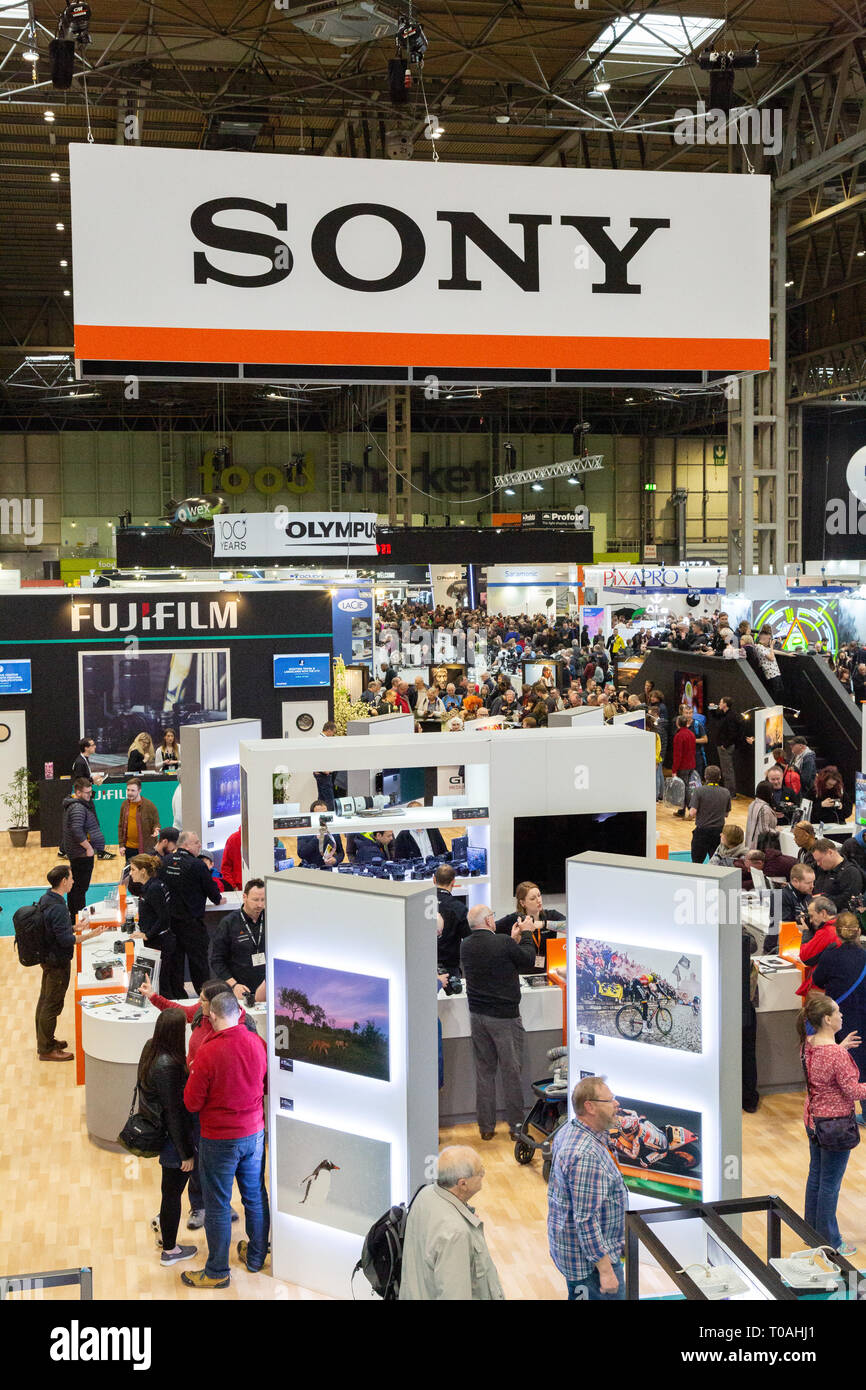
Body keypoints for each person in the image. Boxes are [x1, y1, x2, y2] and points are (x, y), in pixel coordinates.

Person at [141, 974, 257, 1230]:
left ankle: (220, 1205)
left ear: (217, 1006)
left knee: (219, 1164)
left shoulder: (241, 1025)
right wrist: (153, 997)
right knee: (197, 1156)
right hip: (197, 1096)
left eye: (204, 1001)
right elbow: (179, 1010)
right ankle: (200, 1206)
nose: (200, 1004)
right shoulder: (199, 1015)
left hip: (220, 1106)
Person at [181, 990, 269, 1288]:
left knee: (218, 1204)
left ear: (214, 1016)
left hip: (219, 1138)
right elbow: (267, 1084)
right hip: (254, 1134)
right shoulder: (257, 1043)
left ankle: (217, 1271)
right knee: (255, 1196)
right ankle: (256, 1257)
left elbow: (191, 1102)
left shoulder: (208, 1050)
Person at [547, 1075, 627, 1301]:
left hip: (581, 1253)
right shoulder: (586, 1155)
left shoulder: (571, 1130)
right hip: (591, 1267)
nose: (616, 1105)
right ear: (590, 1107)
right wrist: (606, 1271)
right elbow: (586, 1219)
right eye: (610, 1101)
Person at [798, 991, 866, 1253]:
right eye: (837, 1012)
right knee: (830, 1183)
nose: (842, 1015)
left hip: (813, 1119)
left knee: (816, 1175)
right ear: (827, 1019)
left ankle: (810, 1232)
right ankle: (831, 1240)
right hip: (835, 1125)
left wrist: (841, 1047)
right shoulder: (837, 1056)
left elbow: (824, 1068)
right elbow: (853, 1092)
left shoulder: (809, 1043)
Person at [460, 904, 535, 1141]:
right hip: (505, 1017)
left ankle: (486, 1127)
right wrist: (527, 934)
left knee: (485, 1072)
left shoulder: (466, 946)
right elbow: (528, 960)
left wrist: (512, 940)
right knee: (511, 1073)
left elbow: (499, 957)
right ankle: (516, 1127)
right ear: (489, 921)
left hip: (477, 1017)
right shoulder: (502, 942)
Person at [399, 1146, 504, 1301]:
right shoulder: (455, 1234)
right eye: (479, 1171)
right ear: (463, 1184)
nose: (483, 1173)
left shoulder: (425, 1194)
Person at [136, 1007, 197, 1266]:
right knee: (172, 1193)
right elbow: (174, 1113)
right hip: (174, 1141)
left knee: (168, 1191)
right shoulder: (170, 1065)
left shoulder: (151, 1048)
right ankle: (170, 1250)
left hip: (160, 1133)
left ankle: (164, 1223)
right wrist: (186, 1153)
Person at [35, 864, 104, 1061]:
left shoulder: (47, 898)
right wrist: (89, 935)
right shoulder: (57, 907)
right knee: (52, 1004)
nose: (73, 881)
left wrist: (74, 927)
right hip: (57, 961)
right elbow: (65, 940)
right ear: (64, 881)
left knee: (44, 1001)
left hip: (48, 958)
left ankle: (45, 1040)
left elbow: (55, 931)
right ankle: (46, 1049)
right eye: (71, 878)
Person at [812, 915, 866, 1124]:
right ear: (858, 932)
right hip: (863, 1014)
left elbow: (818, 980)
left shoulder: (830, 956)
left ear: (837, 933)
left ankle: (838, 1111)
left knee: (842, 1065)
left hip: (839, 1018)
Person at [161, 830, 222, 993]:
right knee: (199, 965)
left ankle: (178, 997)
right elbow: (212, 892)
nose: (200, 845)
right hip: (192, 924)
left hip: (171, 925)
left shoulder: (165, 861)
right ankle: (204, 996)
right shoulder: (197, 865)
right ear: (185, 845)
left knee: (176, 964)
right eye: (196, 842)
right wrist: (219, 899)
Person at [126, 852, 180, 996]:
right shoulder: (151, 886)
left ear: (143, 871)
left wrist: (147, 935)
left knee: (162, 983)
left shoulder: (154, 888)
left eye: (133, 870)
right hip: (158, 941)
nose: (130, 874)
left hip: (160, 943)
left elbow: (163, 918)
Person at [208, 879, 267, 1000]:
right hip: (240, 989)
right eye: (255, 900)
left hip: (266, 987)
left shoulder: (271, 918)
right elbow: (217, 960)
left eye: (263, 900)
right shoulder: (229, 923)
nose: (260, 904)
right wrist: (234, 985)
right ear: (244, 897)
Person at [495, 880, 565, 973]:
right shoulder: (514, 920)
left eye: (539, 895)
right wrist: (512, 940)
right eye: (532, 898)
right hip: (522, 974)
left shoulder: (551, 915)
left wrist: (543, 924)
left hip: (547, 971)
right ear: (523, 903)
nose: (539, 900)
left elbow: (569, 927)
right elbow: (490, 931)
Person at [61, 777, 107, 919]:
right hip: (81, 854)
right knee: (79, 889)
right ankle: (78, 918)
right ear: (78, 792)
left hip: (77, 853)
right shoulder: (78, 807)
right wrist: (88, 848)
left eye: (90, 792)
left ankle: (74, 915)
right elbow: (76, 830)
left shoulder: (75, 805)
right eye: (86, 793)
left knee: (75, 888)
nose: (89, 795)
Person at [687, 765, 731, 863]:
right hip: (718, 833)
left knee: (697, 863)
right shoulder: (726, 792)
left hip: (702, 832)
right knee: (717, 863)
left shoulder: (699, 791)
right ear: (719, 777)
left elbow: (692, 812)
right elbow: (726, 814)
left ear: (705, 777)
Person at [798, 895, 840, 997]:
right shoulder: (841, 927)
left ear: (823, 913)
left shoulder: (827, 931)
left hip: (823, 991)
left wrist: (806, 932)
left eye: (812, 916)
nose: (811, 921)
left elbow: (805, 957)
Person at [713, 696, 755, 797]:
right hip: (724, 745)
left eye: (720, 702)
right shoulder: (725, 714)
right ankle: (729, 791)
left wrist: (725, 745)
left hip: (726, 747)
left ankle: (730, 793)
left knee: (727, 770)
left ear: (725, 705)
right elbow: (717, 716)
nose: (719, 704)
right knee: (726, 770)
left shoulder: (730, 716)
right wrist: (712, 710)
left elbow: (733, 733)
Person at [435, 863, 469, 975]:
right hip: (450, 966)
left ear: (434, 880)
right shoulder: (459, 908)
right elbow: (468, 938)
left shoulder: (420, 903)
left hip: (423, 963)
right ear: (453, 882)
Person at [812, 839, 863, 913]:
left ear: (830, 852)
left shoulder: (851, 873)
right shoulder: (822, 869)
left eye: (819, 860)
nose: (818, 864)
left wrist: (824, 899)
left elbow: (849, 902)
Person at [118, 778, 160, 862]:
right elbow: (121, 826)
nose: (129, 793)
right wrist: (121, 845)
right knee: (131, 872)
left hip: (146, 849)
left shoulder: (149, 805)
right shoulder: (124, 805)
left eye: (133, 790)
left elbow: (156, 823)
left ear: (139, 790)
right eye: (128, 790)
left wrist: (156, 829)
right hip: (129, 848)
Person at [297, 800, 345, 869]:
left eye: (325, 813)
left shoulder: (333, 830)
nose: (323, 816)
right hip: (310, 869)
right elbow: (301, 854)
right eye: (319, 814)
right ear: (312, 815)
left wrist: (335, 860)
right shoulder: (305, 830)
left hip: (329, 869)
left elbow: (341, 853)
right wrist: (316, 839)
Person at [742, 929, 760, 1112]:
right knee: (748, 1053)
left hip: (731, 1008)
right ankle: (748, 1099)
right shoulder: (742, 935)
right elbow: (752, 945)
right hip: (745, 1007)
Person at [671, 714, 697, 818]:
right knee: (686, 788)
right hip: (691, 764)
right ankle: (681, 811)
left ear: (677, 723)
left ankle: (691, 811)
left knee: (684, 789)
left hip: (683, 766)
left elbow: (678, 754)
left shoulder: (678, 736)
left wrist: (674, 769)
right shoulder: (691, 734)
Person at [754, 627, 785, 702]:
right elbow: (771, 657)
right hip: (771, 674)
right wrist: (771, 646)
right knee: (775, 694)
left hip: (776, 673)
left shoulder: (765, 647)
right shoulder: (759, 647)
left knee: (780, 692)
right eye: (769, 639)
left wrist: (788, 654)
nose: (769, 641)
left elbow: (775, 651)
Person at [745, 782, 779, 849]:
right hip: (759, 845)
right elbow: (764, 829)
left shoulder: (753, 803)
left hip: (750, 842)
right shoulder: (764, 808)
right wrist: (777, 832)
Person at [781, 862, 816, 927]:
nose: (812, 886)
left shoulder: (806, 891)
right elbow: (785, 925)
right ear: (795, 881)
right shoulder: (781, 897)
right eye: (808, 883)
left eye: (813, 882)